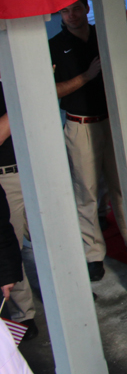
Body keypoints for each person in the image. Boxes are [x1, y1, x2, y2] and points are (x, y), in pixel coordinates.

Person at [49, 0, 127, 282]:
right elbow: (51, 89)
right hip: (80, 124)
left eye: (76, 8)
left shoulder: (102, 37)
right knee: (87, 192)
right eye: (64, 10)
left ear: (86, 9)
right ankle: (93, 254)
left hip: (112, 121)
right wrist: (86, 76)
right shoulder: (54, 46)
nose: (71, 15)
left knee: (121, 186)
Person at [0, 78, 38, 341]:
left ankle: (68, 292)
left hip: (33, 166)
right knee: (10, 244)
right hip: (5, 176)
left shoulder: (9, 78)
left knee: (49, 239)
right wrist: (25, 93)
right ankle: (25, 315)